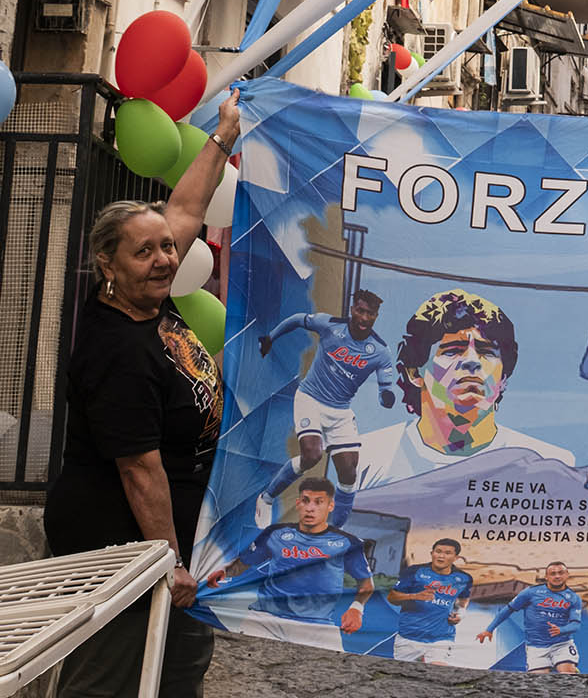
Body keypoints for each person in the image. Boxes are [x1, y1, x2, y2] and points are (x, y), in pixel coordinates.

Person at [42, 89, 240, 698]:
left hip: (173, 539)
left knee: (179, 670)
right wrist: (168, 562)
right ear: (108, 264)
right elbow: (139, 470)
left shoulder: (147, 296)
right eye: (145, 251)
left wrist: (223, 136)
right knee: (109, 678)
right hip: (118, 546)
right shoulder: (117, 350)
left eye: (167, 248)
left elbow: (185, 207)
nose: (164, 259)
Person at [357, 289, 573, 488]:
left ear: (503, 377)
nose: (472, 362)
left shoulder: (549, 465)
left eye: (487, 352)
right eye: (452, 350)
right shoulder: (364, 457)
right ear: (414, 372)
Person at [254, 289, 396, 528]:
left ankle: (337, 530)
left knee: (349, 472)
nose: (364, 318)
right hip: (310, 399)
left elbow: (386, 387)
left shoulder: (380, 351)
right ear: (352, 309)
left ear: (376, 316)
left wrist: (386, 397)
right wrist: (270, 337)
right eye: (360, 311)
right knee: (312, 455)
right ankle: (266, 498)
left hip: (340, 412)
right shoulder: (329, 325)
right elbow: (298, 319)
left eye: (370, 313)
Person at [204, 477, 374, 651]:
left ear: (330, 506)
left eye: (318, 502)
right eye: (305, 501)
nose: (310, 508)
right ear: (298, 503)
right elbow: (244, 563)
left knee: (329, 666)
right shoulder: (275, 533)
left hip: (318, 626)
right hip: (265, 619)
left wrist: (356, 609)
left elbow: (366, 584)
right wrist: (224, 570)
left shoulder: (348, 542)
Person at [476, 561, 583, 674]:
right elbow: (508, 609)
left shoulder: (573, 598)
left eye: (561, 573)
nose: (557, 576)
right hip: (536, 647)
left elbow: (575, 624)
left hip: (561, 644)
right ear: (546, 577)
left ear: (567, 575)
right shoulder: (531, 592)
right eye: (553, 573)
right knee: (538, 680)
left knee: (567, 672)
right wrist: (489, 629)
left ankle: (573, 670)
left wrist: (561, 630)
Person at [387, 537, 473, 664]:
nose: (441, 556)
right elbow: (392, 597)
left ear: (456, 558)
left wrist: (460, 614)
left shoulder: (464, 578)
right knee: (403, 674)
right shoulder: (414, 571)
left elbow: (463, 600)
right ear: (432, 553)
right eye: (438, 551)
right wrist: (414, 596)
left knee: (438, 671)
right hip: (409, 637)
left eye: (447, 553)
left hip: (441, 639)